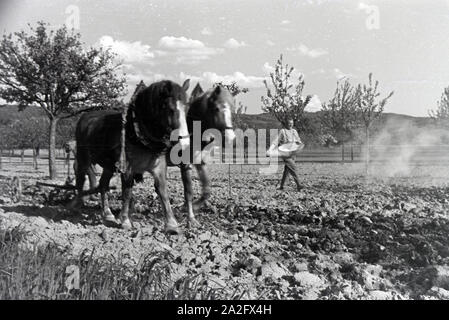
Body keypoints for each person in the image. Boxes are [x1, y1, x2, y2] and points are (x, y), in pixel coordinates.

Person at [268, 118, 304, 191]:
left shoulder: (294, 131)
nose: (291, 124)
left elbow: (298, 140)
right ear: (286, 124)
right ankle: (298, 185)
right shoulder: (282, 131)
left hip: (293, 153)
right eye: (289, 123)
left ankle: (282, 186)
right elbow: (275, 141)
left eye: (292, 123)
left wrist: (300, 144)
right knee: (293, 168)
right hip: (285, 153)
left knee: (287, 170)